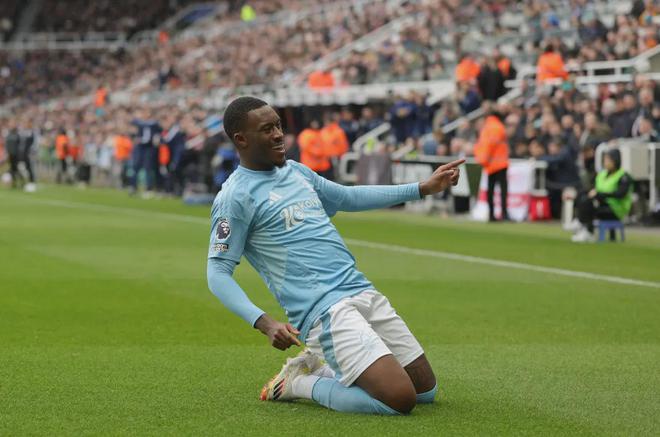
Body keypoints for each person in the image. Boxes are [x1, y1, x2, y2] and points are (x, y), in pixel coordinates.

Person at [206, 97, 463, 415]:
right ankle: (298, 383)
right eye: (267, 129)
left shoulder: (295, 171)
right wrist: (265, 323)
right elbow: (217, 273)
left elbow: (347, 197)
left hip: (359, 289)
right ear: (241, 139)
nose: (279, 134)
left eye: (279, 126)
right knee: (399, 399)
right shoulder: (235, 196)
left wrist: (422, 188)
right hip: (324, 311)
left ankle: (325, 368)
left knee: (424, 391)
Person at [572, 149, 632, 243]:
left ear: (615, 160)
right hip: (602, 204)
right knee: (582, 195)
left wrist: (600, 194)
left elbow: (620, 194)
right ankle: (580, 224)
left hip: (616, 209)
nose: (605, 162)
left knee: (588, 203)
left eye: (608, 160)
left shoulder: (624, 176)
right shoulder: (602, 174)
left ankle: (587, 230)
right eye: (605, 160)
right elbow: (593, 189)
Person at [474, 105, 510, 221]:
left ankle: (491, 215)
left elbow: (482, 145)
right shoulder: (498, 126)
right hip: (500, 163)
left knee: (490, 190)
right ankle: (504, 214)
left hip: (489, 163)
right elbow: (493, 144)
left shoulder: (486, 127)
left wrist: (483, 159)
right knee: (503, 190)